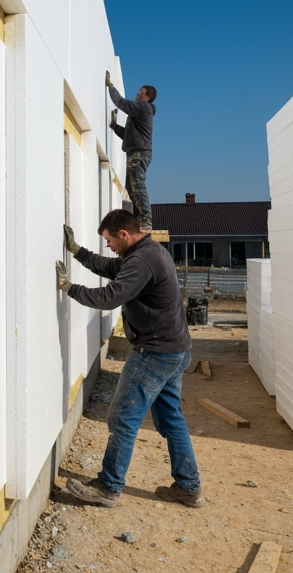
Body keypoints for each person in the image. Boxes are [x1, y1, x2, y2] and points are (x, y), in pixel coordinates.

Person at [53, 209, 202, 509]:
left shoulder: (143, 260)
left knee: (122, 418)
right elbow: (112, 267)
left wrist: (69, 288)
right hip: (174, 349)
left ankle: (108, 489)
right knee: (171, 419)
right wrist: (77, 251)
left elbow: (110, 296)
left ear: (124, 234)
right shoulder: (145, 252)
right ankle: (189, 488)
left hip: (154, 354)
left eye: (109, 240)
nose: (108, 246)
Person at [106, 72, 156, 232]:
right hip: (136, 151)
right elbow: (127, 135)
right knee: (131, 185)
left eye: (140, 92)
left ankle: (146, 219)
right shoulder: (140, 113)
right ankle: (139, 218)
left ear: (147, 95)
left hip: (139, 152)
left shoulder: (143, 107)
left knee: (137, 185)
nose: (137, 93)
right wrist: (114, 126)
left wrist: (110, 86)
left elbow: (122, 103)